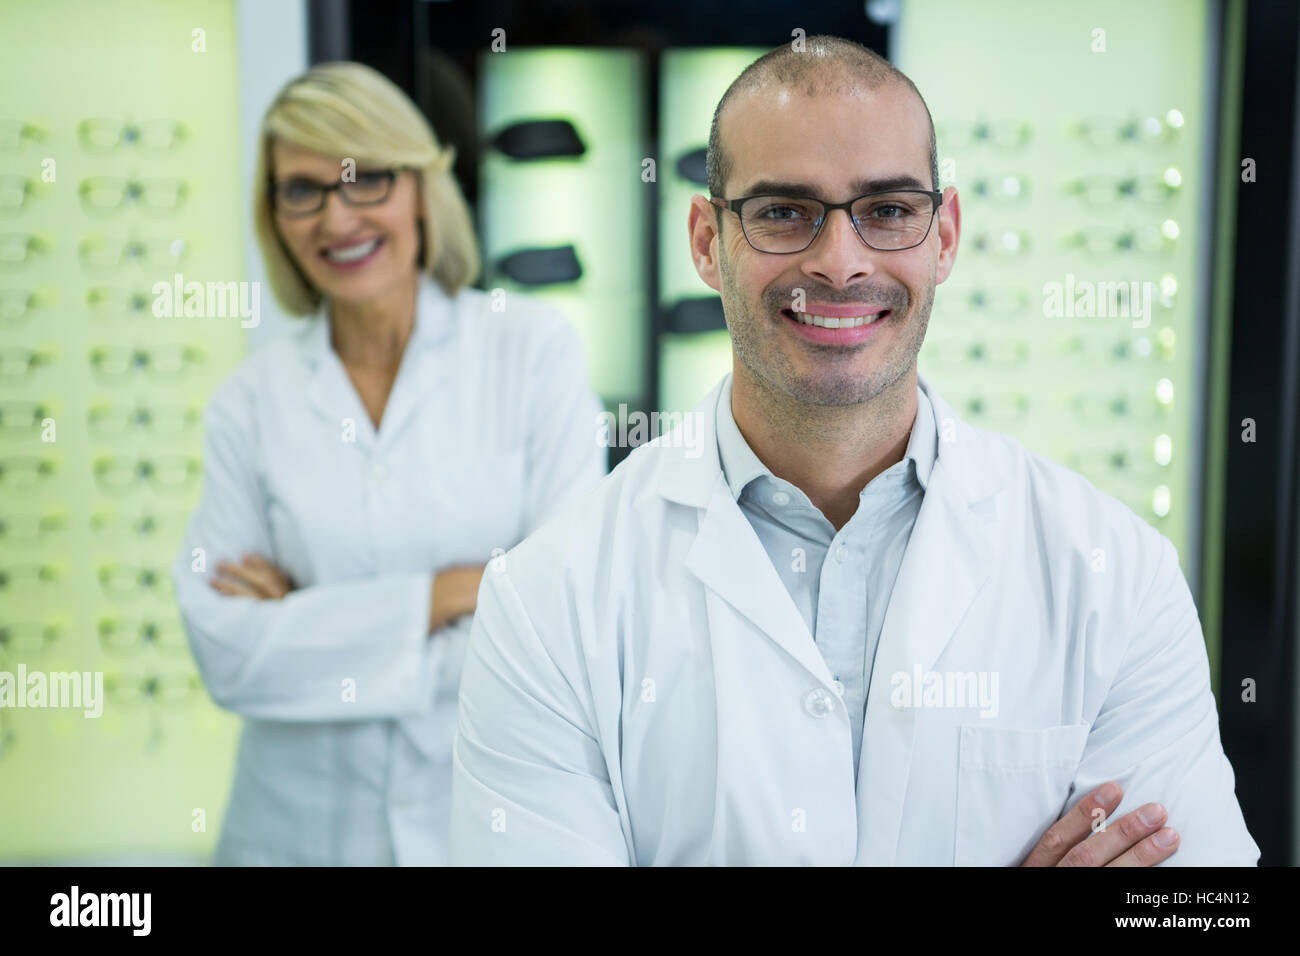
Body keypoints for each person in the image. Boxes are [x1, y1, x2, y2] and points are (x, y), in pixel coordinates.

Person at [448, 37, 1259, 865]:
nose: (839, 262)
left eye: (888, 210)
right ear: (704, 241)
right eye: (782, 212)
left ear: (944, 236)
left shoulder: (1112, 574)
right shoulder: (552, 600)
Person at [171, 62, 605, 865]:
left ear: (420, 190)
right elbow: (228, 652)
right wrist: (450, 594)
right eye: (301, 190)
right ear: (274, 215)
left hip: (482, 826)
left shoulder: (530, 353)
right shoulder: (250, 402)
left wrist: (311, 619)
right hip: (294, 837)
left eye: (366, 178)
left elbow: (566, 622)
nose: (337, 217)